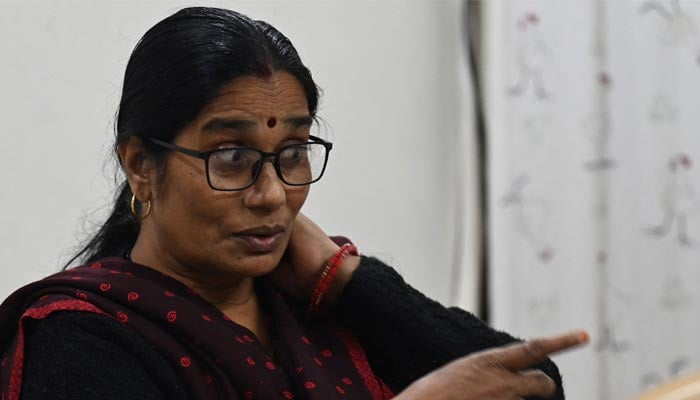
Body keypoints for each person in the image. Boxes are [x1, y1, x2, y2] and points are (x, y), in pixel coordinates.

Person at [0, 7, 587, 400]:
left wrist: (348, 280)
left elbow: (531, 385)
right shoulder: (79, 339)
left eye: (293, 153)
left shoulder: (318, 306)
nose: (273, 193)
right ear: (139, 164)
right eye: (231, 156)